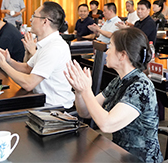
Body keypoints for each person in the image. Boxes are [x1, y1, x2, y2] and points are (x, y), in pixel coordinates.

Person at [65, 28, 162, 163]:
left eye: (110, 47)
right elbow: (85, 112)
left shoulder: (141, 86)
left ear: (122, 55)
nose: (107, 51)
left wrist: (86, 91)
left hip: (141, 159)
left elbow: (106, 125)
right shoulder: (119, 81)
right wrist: (79, 91)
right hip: (119, 154)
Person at [0, 2, 74, 108]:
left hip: (54, 109)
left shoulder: (54, 47)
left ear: (45, 21)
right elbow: (27, 68)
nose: (31, 20)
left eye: (34, 16)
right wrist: (8, 59)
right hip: (40, 102)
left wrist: (2, 63)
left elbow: (29, 84)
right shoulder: (46, 43)